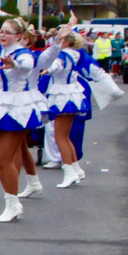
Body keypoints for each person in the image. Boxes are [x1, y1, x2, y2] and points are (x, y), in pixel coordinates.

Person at [0, 18, 54, 221]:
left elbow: (26, 66)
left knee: (5, 157)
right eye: (1, 31)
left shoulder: (24, 54)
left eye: (8, 32)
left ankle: (12, 203)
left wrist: (14, 64)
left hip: (18, 106)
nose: (2, 35)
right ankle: (14, 199)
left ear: (19, 36)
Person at [44, 21, 90, 189]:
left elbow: (56, 66)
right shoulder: (76, 54)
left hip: (62, 95)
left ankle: (69, 172)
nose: (57, 41)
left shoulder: (62, 55)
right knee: (65, 136)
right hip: (72, 93)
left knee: (60, 137)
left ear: (68, 41)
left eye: (60, 39)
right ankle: (76, 169)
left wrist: (46, 70)